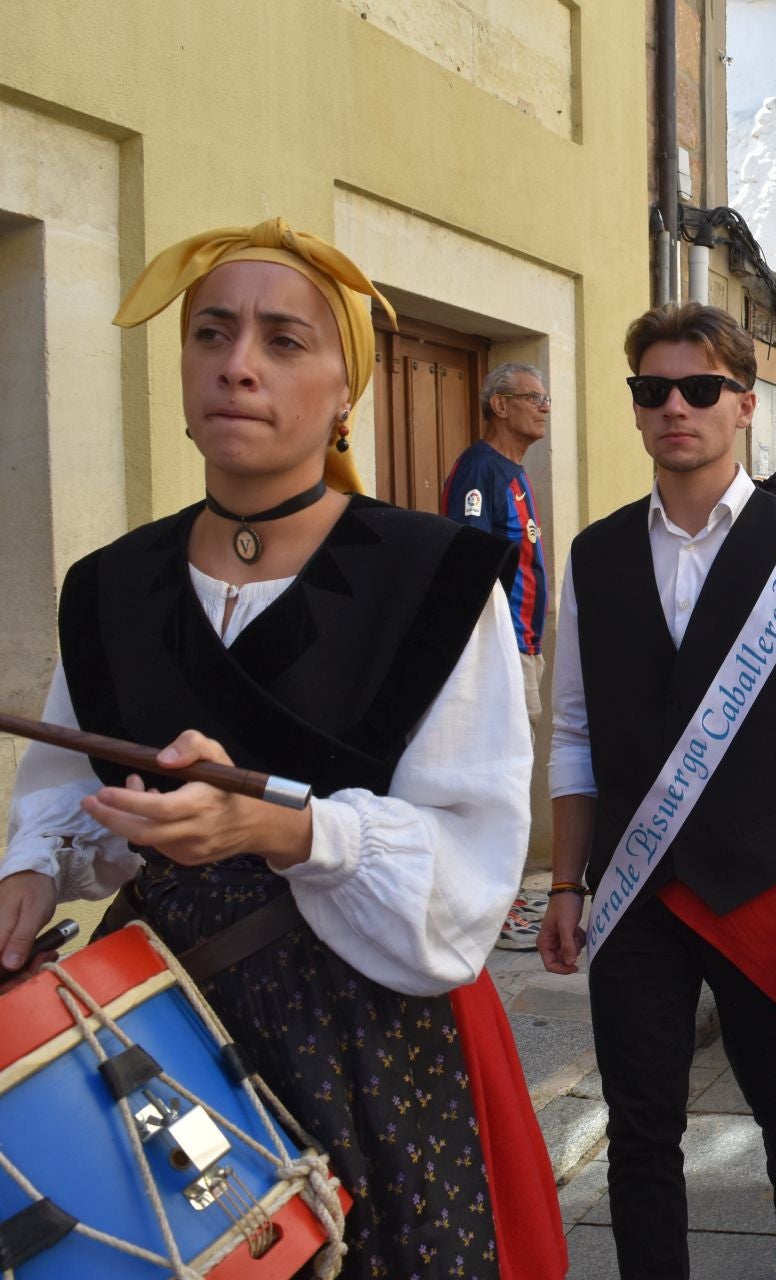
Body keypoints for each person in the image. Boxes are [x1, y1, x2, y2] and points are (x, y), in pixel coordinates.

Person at [0, 218, 565, 1278]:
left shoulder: (436, 578)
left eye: (283, 340)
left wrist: (282, 827)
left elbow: (474, 854)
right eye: (210, 334)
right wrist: (31, 869)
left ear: (345, 386)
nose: (239, 364)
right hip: (155, 1015)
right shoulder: (110, 586)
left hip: (361, 1018)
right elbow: (69, 787)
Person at [538, 302, 776, 1280]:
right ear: (637, 408)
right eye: (653, 390)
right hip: (636, 888)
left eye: (698, 389)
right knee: (642, 1120)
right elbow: (573, 734)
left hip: (767, 871)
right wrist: (566, 884)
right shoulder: (593, 554)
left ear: (743, 405)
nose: (673, 407)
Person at [444, 361, 553, 950]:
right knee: (497, 778)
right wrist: (487, 652)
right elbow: (470, 564)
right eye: (532, 397)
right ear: (499, 405)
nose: (543, 406)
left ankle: (503, 895)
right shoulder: (480, 470)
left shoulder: (515, 471)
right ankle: (490, 907)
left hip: (523, 647)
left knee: (512, 774)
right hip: (499, 648)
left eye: (546, 398)